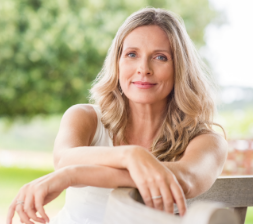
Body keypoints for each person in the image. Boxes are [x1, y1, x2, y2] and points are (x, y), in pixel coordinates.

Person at [7, 7, 228, 224]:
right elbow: (64, 159)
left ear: (180, 68)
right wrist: (130, 156)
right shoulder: (85, 117)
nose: (144, 68)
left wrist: (72, 176)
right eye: (131, 54)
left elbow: (184, 179)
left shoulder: (208, 141)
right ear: (117, 63)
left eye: (160, 57)